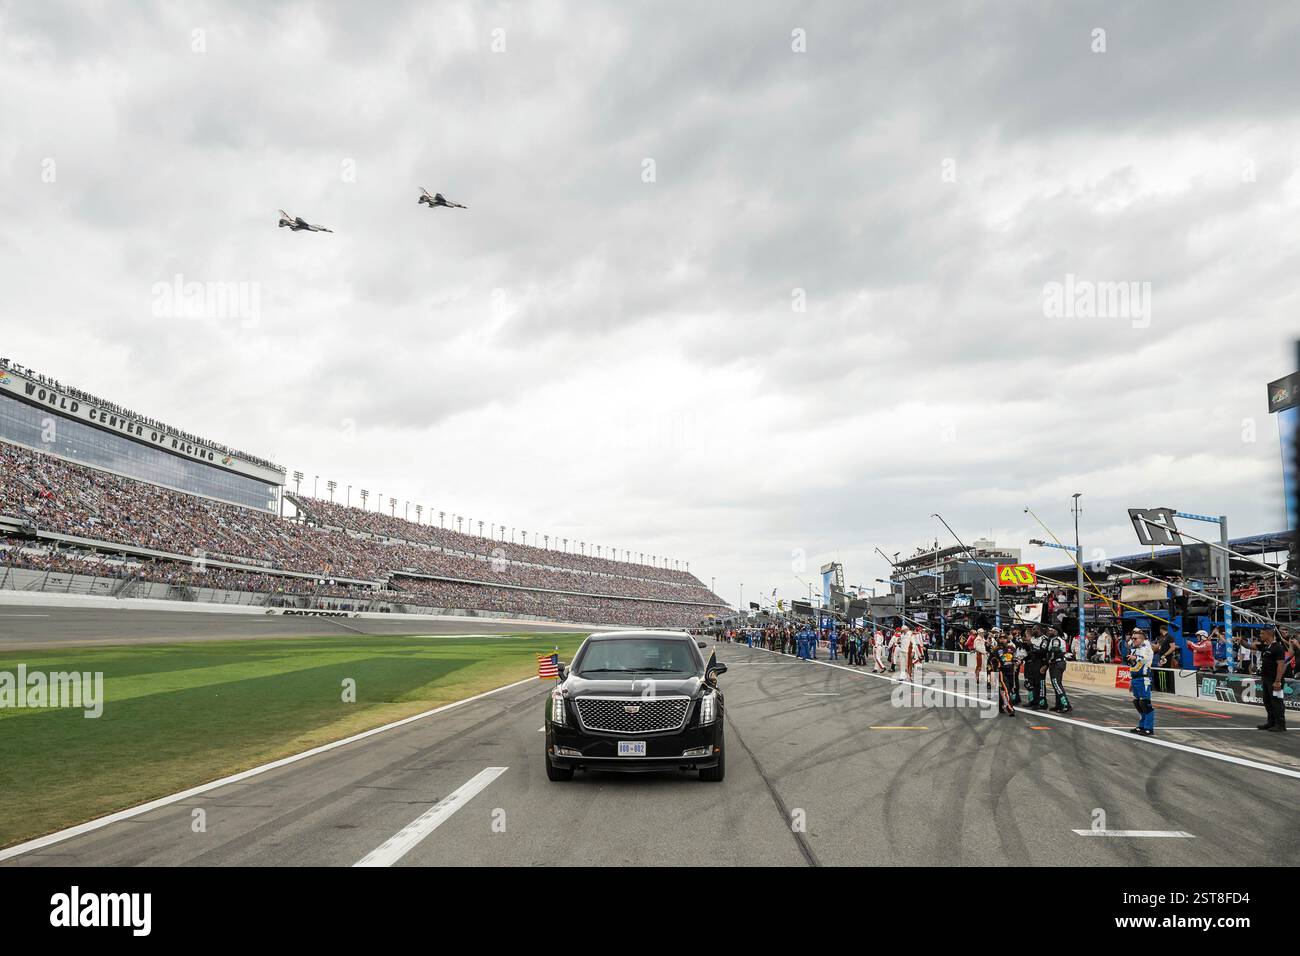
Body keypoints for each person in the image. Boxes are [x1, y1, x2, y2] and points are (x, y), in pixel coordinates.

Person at [1257, 629, 1288, 732]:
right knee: (1267, 701)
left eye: (1262, 633)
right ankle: (1271, 722)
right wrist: (1241, 641)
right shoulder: (1266, 647)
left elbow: (1281, 664)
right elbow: (1251, 646)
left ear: (1269, 634)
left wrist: (1278, 680)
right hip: (1266, 679)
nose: (1260, 635)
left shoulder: (1278, 648)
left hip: (1274, 680)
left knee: (1276, 702)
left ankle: (1280, 725)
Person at [1128, 628, 1155, 736]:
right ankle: (1141, 725)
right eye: (1132, 638)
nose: (1133, 640)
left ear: (1142, 639)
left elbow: (1144, 659)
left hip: (1143, 678)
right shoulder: (1134, 649)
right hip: (1135, 679)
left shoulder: (1146, 648)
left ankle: (1149, 727)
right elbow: (1132, 666)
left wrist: (1136, 657)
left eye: (1135, 638)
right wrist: (1131, 681)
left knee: (1145, 704)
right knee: (1138, 703)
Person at [1044, 628, 1073, 713]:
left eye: (1051, 630)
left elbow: (1055, 651)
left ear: (1056, 631)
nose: (1049, 631)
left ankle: (1066, 705)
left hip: (1057, 663)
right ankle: (1059, 705)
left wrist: (1049, 660)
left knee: (1057, 684)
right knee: (1056, 684)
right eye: (1049, 630)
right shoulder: (1054, 639)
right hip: (1057, 663)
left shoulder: (1056, 640)